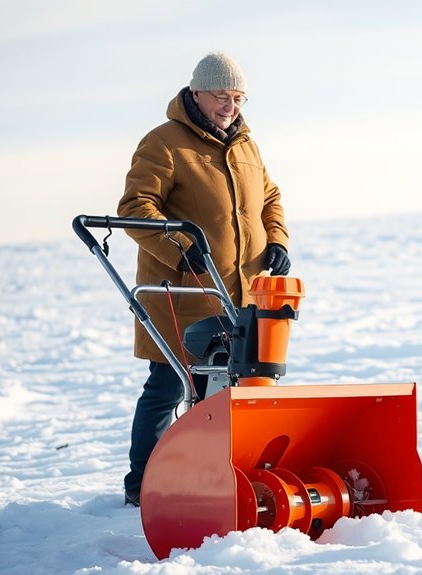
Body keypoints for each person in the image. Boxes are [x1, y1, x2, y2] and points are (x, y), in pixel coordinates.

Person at [116, 52, 291, 507]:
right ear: (197, 93)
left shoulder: (246, 145)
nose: (230, 105)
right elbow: (136, 207)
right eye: (221, 95)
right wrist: (182, 250)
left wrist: (277, 240)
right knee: (170, 385)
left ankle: (215, 471)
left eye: (237, 97)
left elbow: (269, 196)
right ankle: (143, 481)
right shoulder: (164, 142)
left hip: (241, 293)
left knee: (232, 386)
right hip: (184, 293)